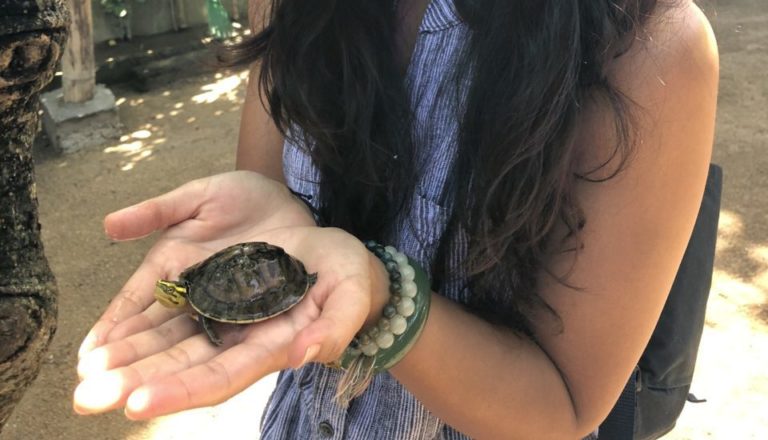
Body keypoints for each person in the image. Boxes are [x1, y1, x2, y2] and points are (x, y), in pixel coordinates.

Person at [73, 0, 719, 438]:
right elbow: (278, 226)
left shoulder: (654, 49)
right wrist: (221, 266)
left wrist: (385, 301)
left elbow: (565, 402)